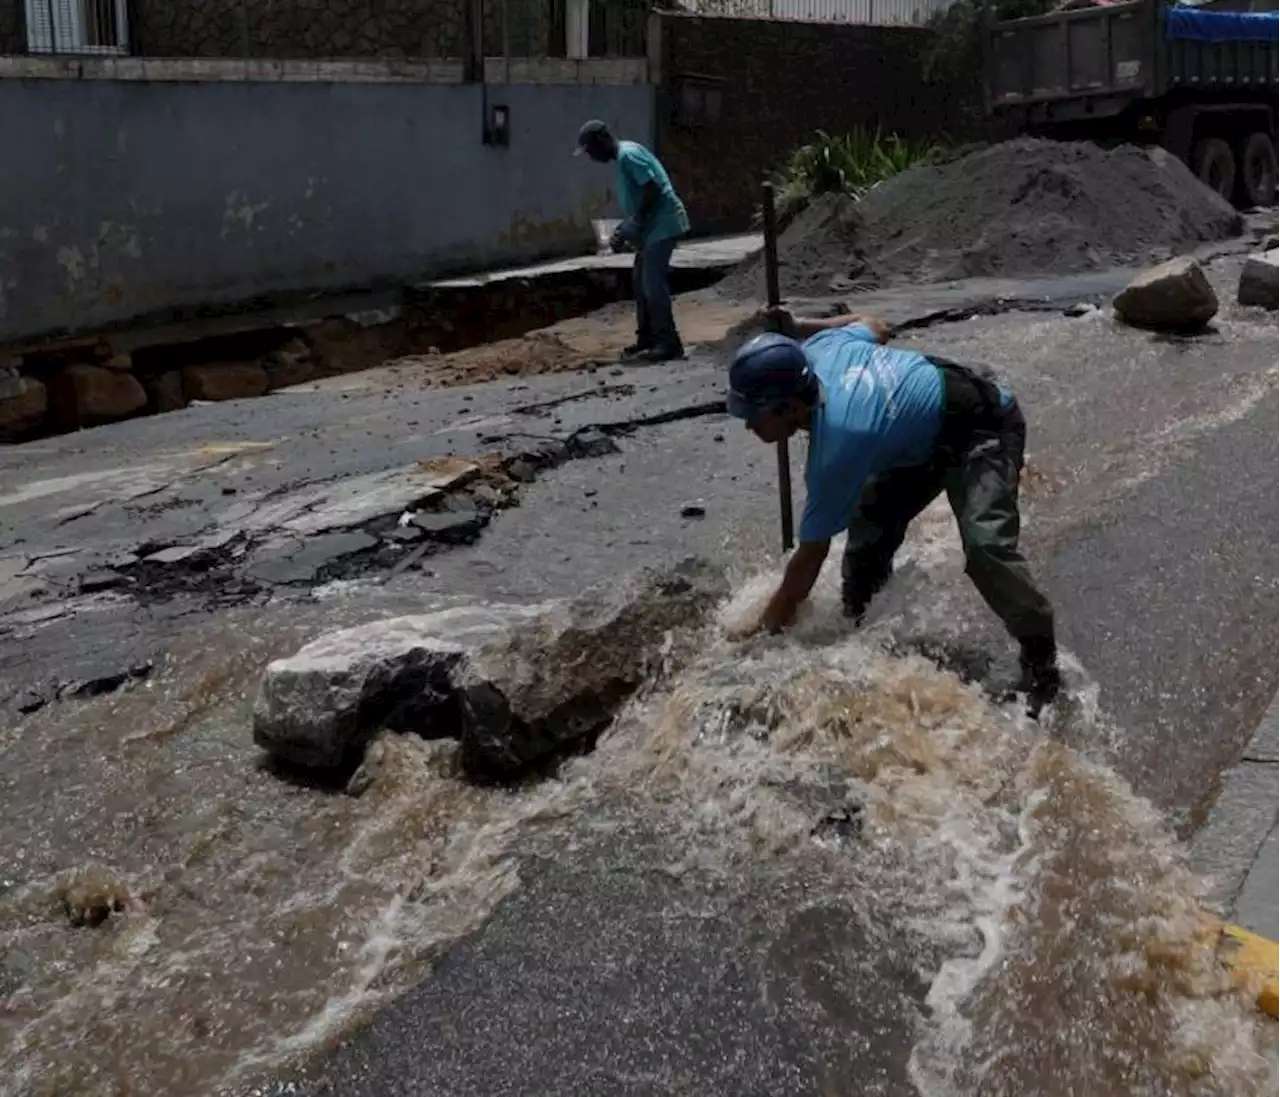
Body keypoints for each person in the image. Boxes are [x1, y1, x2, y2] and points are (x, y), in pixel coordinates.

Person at [726, 307, 1063, 713]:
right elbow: (875, 324)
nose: (748, 426)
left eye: (753, 416)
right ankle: (859, 623)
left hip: (982, 424)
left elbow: (806, 564)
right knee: (869, 528)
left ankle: (1042, 660)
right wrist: (799, 328)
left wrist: (765, 636)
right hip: (916, 437)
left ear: (789, 409)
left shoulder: (839, 447)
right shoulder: (821, 347)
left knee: (986, 546)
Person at [576, 119, 690, 363]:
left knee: (652, 284)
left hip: (664, 223)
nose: (592, 158)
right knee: (640, 283)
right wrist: (628, 229)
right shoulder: (624, 157)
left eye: (591, 151)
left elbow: (653, 188)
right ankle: (647, 340)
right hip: (652, 228)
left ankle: (669, 344)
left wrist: (634, 223)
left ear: (601, 142)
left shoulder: (628, 155)